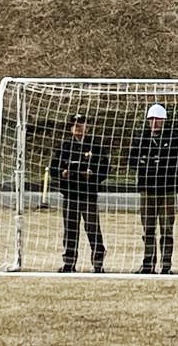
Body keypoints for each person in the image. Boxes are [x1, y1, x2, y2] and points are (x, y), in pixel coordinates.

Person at [129, 102, 178, 274]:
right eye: (152, 119)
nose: (155, 122)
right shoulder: (141, 138)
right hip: (148, 189)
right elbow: (133, 160)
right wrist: (148, 164)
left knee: (166, 228)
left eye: (158, 119)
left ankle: (166, 264)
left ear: (164, 120)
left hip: (167, 189)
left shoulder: (173, 139)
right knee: (148, 228)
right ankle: (148, 263)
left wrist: (158, 163)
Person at [49, 112, 109, 273]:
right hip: (70, 193)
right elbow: (53, 169)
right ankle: (69, 262)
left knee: (92, 227)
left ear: (86, 127)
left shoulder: (95, 146)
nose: (78, 127)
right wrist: (63, 173)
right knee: (70, 228)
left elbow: (104, 168)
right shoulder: (64, 147)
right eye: (75, 125)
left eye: (81, 124)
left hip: (88, 193)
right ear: (71, 128)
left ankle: (98, 262)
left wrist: (91, 173)